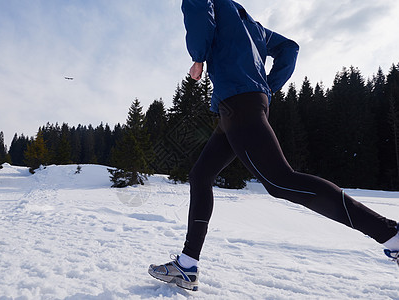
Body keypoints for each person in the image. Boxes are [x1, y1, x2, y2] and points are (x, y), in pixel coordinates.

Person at [148, 0, 399, 291]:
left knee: (281, 181)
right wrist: (268, 85)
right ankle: (187, 265)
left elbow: (197, 11)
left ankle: (389, 233)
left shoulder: (214, 5)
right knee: (201, 175)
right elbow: (289, 47)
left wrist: (199, 57)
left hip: (238, 102)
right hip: (239, 106)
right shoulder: (253, 26)